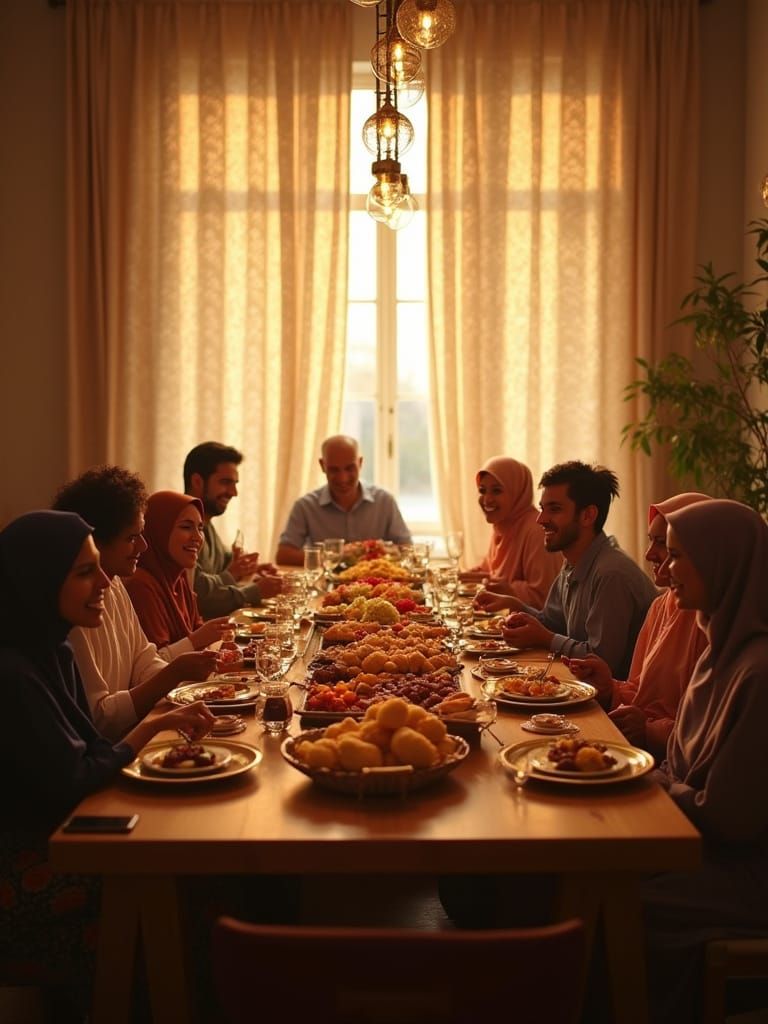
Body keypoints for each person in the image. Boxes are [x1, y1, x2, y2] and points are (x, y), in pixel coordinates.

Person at [0, 511, 214, 1015]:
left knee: (197, 858)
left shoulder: (52, 650)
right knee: (186, 879)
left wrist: (148, 731)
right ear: (37, 579)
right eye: (83, 573)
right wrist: (155, 727)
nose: (106, 582)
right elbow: (77, 779)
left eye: (100, 567)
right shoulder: (12, 675)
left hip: (67, 829)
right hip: (25, 861)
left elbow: (93, 745)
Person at [641, 499, 768, 1023]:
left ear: (722, 562)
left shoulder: (758, 673)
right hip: (696, 840)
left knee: (607, 895)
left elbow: (731, 820)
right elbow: (679, 765)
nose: (665, 569)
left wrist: (643, 777)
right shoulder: (717, 651)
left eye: (678, 556)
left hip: (744, 872)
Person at [53, 466, 220, 741]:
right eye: (132, 537)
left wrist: (189, 687)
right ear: (95, 541)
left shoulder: (115, 583)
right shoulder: (73, 610)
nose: (143, 547)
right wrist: (174, 674)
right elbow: (101, 719)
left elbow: (143, 659)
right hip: (109, 753)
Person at [477, 461, 657, 678]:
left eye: (554, 509)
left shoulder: (611, 574)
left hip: (610, 707)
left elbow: (601, 661)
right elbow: (554, 623)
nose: (540, 519)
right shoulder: (573, 561)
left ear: (588, 516)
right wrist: (515, 605)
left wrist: (544, 638)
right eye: (543, 508)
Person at [564, 492, 710, 759]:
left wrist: (651, 730)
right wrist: (609, 688)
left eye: (663, 544)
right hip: (647, 751)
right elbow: (641, 691)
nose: (649, 554)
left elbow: (711, 736)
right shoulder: (662, 606)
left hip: (673, 761)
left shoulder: (713, 622)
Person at [276, 435, 412, 566]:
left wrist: (377, 555)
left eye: (349, 468)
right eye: (334, 470)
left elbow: (407, 549)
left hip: (375, 586)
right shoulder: (305, 506)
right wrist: (338, 558)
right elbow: (283, 555)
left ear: (360, 463)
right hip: (325, 587)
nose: (343, 478)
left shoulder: (384, 501)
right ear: (322, 465)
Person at [183, 442, 282, 618]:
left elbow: (223, 569)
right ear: (197, 481)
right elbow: (201, 597)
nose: (234, 492)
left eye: (235, 483)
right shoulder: (180, 529)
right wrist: (254, 590)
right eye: (225, 482)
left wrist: (251, 570)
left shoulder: (207, 524)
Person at [124, 491, 231, 651]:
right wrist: (199, 639)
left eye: (200, 528)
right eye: (186, 527)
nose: (198, 537)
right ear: (159, 530)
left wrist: (223, 643)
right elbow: (153, 665)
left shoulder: (179, 578)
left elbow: (197, 628)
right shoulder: (141, 585)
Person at [460, 456, 563, 607]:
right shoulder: (502, 525)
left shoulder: (537, 531)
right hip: (502, 622)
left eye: (497, 491)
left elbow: (545, 596)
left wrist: (508, 588)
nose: (487, 499)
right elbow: (490, 573)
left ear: (517, 492)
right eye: (482, 491)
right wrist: (462, 577)